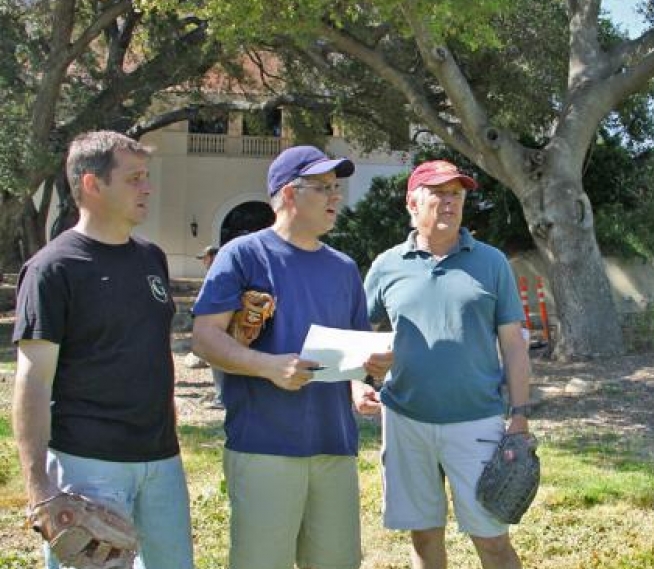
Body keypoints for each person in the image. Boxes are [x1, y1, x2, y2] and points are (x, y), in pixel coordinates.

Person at [191, 145, 391, 569]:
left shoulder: (343, 268)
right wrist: (268, 366)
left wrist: (363, 380)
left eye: (336, 187)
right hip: (264, 444)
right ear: (288, 194)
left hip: (334, 444)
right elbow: (205, 339)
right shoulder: (242, 254)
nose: (336, 196)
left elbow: (354, 349)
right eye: (323, 188)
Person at [11, 130, 195, 569]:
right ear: (92, 185)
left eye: (146, 176)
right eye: (134, 178)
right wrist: (39, 490)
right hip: (88, 469)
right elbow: (33, 380)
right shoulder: (52, 269)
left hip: (161, 464)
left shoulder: (152, 259)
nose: (147, 187)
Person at [364, 160, 532, 569]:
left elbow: (513, 344)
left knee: (491, 539)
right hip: (405, 421)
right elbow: (358, 332)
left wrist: (521, 413)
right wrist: (360, 381)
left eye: (456, 193)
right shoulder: (386, 265)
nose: (449, 201)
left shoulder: (492, 263)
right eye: (437, 192)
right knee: (423, 535)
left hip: (477, 422)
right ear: (412, 203)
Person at [195, 245, 224, 408]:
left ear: (213, 257)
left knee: (218, 361)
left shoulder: (220, 273)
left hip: (219, 324)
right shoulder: (217, 272)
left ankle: (221, 399)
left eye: (205, 258)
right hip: (214, 322)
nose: (203, 262)